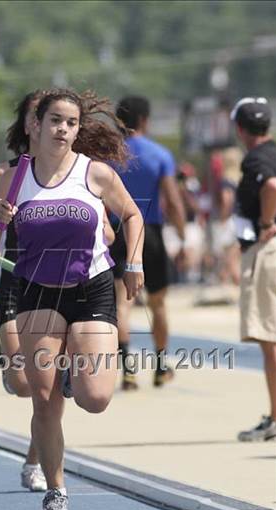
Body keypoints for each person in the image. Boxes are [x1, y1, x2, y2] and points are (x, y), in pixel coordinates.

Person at [0, 89, 144, 510]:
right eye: (55, 121)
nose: (63, 129)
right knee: (42, 398)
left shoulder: (95, 174)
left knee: (96, 398)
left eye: (70, 123)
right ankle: (56, 490)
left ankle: (71, 372)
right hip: (35, 288)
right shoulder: (11, 177)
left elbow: (131, 216)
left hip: (91, 286)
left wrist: (134, 261)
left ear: (77, 129)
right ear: (35, 125)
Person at [0, 90, 49, 492]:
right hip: (14, 279)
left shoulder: (72, 174)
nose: (49, 126)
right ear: (28, 124)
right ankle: (11, 368)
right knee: (23, 383)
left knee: (45, 385)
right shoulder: (6, 173)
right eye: (40, 117)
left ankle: (35, 462)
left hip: (56, 285)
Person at [112, 95, 186, 390]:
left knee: (122, 302)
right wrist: (181, 232)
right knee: (158, 303)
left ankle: (128, 369)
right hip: (151, 231)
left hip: (117, 231)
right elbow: (173, 199)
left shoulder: (108, 155)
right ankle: (159, 365)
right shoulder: (159, 155)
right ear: (144, 120)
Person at [229, 97, 276, 442]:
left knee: (269, 336)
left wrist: (266, 221)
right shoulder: (275, 151)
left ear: (240, 129)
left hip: (267, 249)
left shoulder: (257, 159)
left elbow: (272, 187)